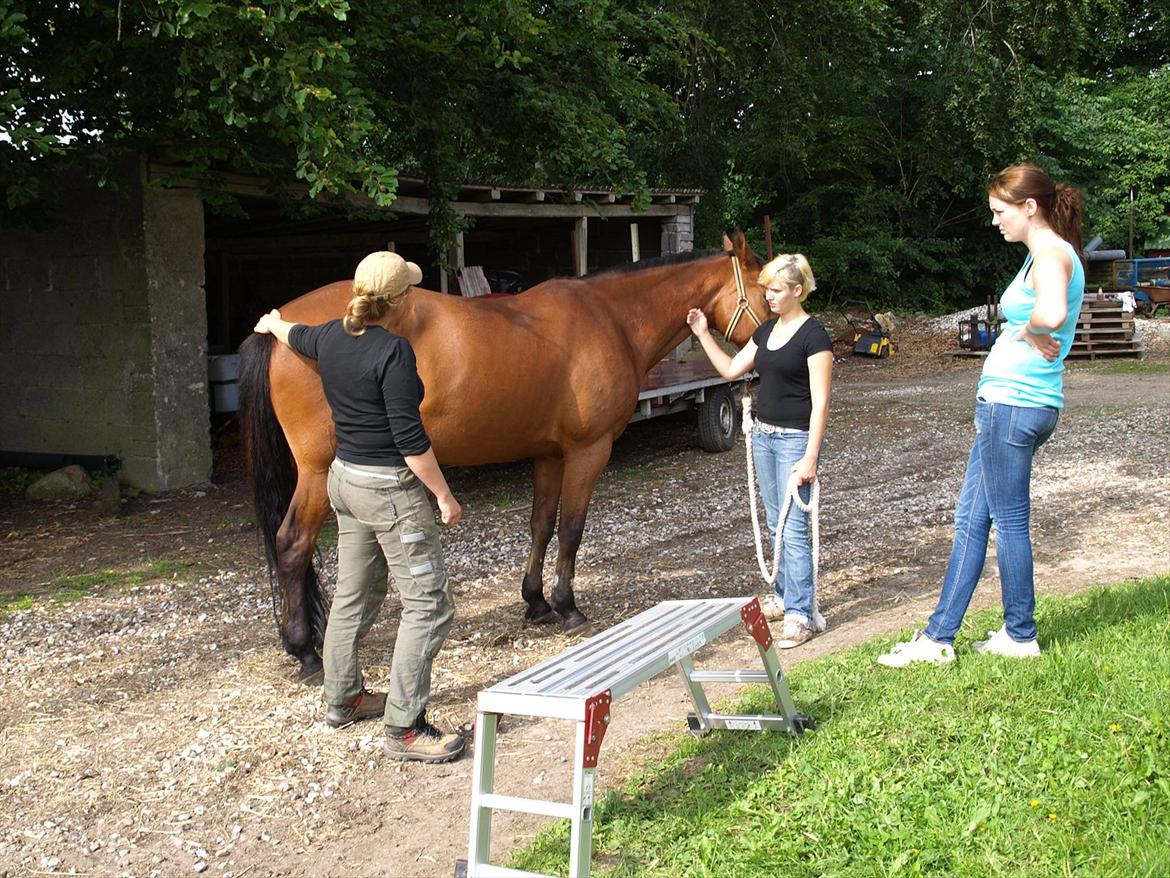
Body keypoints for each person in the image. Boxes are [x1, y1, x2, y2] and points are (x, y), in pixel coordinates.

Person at [253, 251, 465, 763]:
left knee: (354, 593)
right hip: (388, 489)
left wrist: (274, 322)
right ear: (402, 302)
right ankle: (405, 728)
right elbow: (410, 439)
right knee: (429, 605)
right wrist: (443, 495)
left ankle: (342, 697)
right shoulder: (392, 352)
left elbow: (294, 336)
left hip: (344, 482)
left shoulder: (329, 335)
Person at [878, 163, 1085, 668]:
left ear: (1028, 207)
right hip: (1015, 405)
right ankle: (939, 637)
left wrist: (1034, 326)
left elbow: (1053, 313)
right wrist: (1030, 326)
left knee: (1008, 522)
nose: (995, 221)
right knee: (972, 519)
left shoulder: (1052, 254)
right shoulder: (1041, 254)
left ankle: (1020, 634)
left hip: (1015, 406)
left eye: (999, 211)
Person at [687, 252, 833, 647]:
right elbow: (732, 370)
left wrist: (811, 457)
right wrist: (703, 333)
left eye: (775, 289)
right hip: (765, 437)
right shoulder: (766, 333)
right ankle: (787, 598)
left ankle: (802, 615)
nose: (767, 295)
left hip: (794, 440)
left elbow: (820, 401)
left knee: (794, 528)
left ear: (797, 291)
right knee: (775, 524)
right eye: (766, 288)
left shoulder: (814, 336)